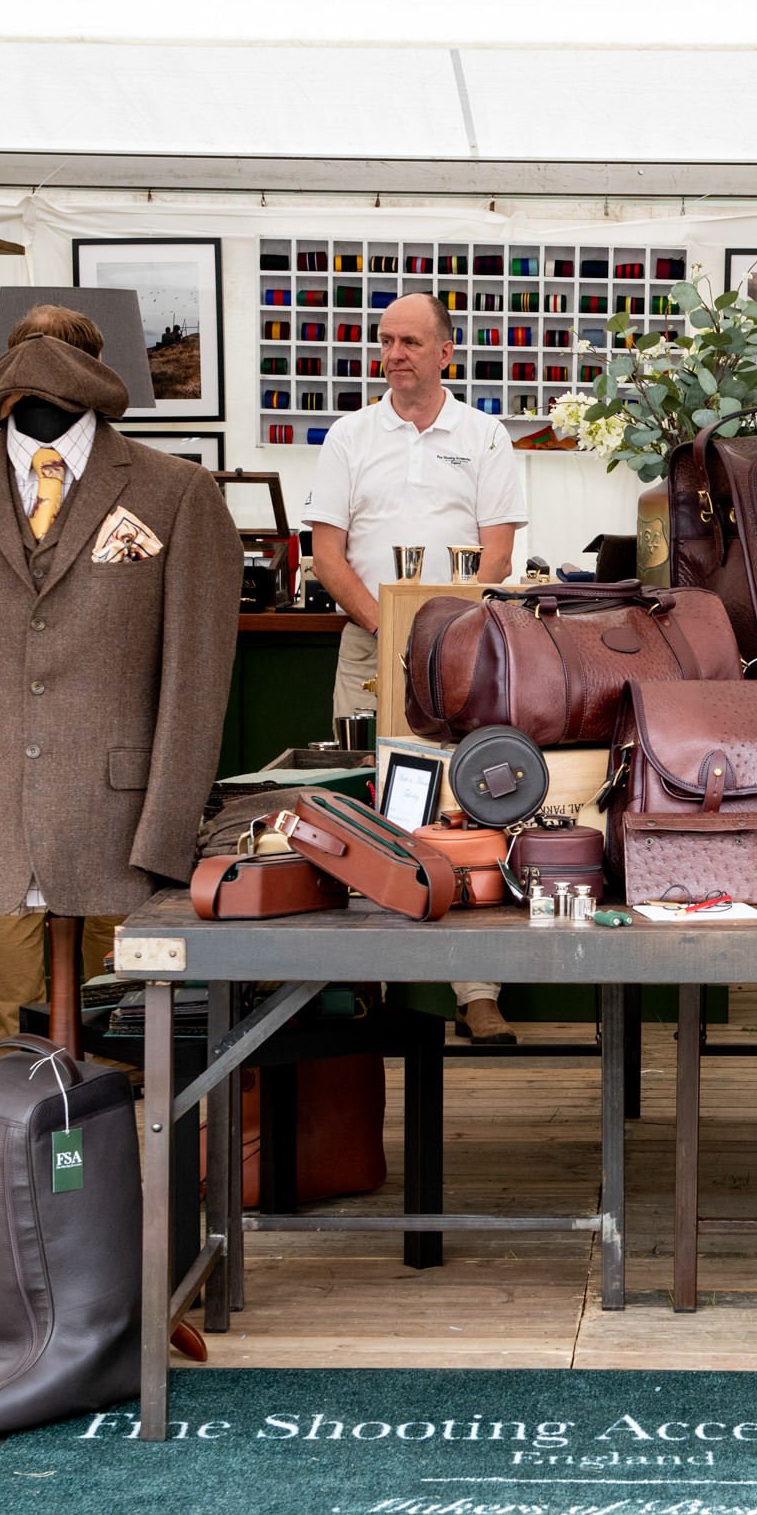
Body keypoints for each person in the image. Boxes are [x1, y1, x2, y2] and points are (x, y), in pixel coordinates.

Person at [0, 302, 242, 1053]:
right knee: (9, 1036)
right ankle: (19, 1165)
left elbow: (196, 680)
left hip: (122, 814)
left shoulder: (173, 491)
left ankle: (125, 1167)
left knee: (134, 1027)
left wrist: (168, 827)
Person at [302, 292, 527, 1043]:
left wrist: (445, 635)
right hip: (370, 644)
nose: (393, 353)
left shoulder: (487, 436)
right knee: (372, 805)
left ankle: (477, 989)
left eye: (409, 341)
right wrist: (391, 627)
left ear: (444, 352)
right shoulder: (348, 435)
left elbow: (497, 551)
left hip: (466, 648)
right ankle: (380, 986)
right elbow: (325, 554)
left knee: (469, 804)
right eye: (385, 341)